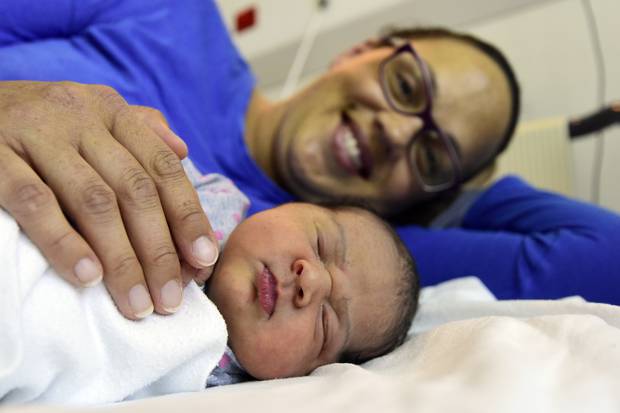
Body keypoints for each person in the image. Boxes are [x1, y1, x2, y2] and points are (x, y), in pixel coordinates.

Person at [1, 0, 617, 314]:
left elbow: (607, 258)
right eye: (407, 88)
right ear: (361, 50)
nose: (398, 133)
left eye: (431, 156)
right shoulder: (165, 12)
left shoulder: (338, 266)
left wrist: (465, 190)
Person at [0, 163, 420, 404]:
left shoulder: (221, 393)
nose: (309, 279)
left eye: (327, 322)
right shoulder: (199, 195)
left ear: (310, 371)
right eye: (321, 243)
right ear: (289, 205)